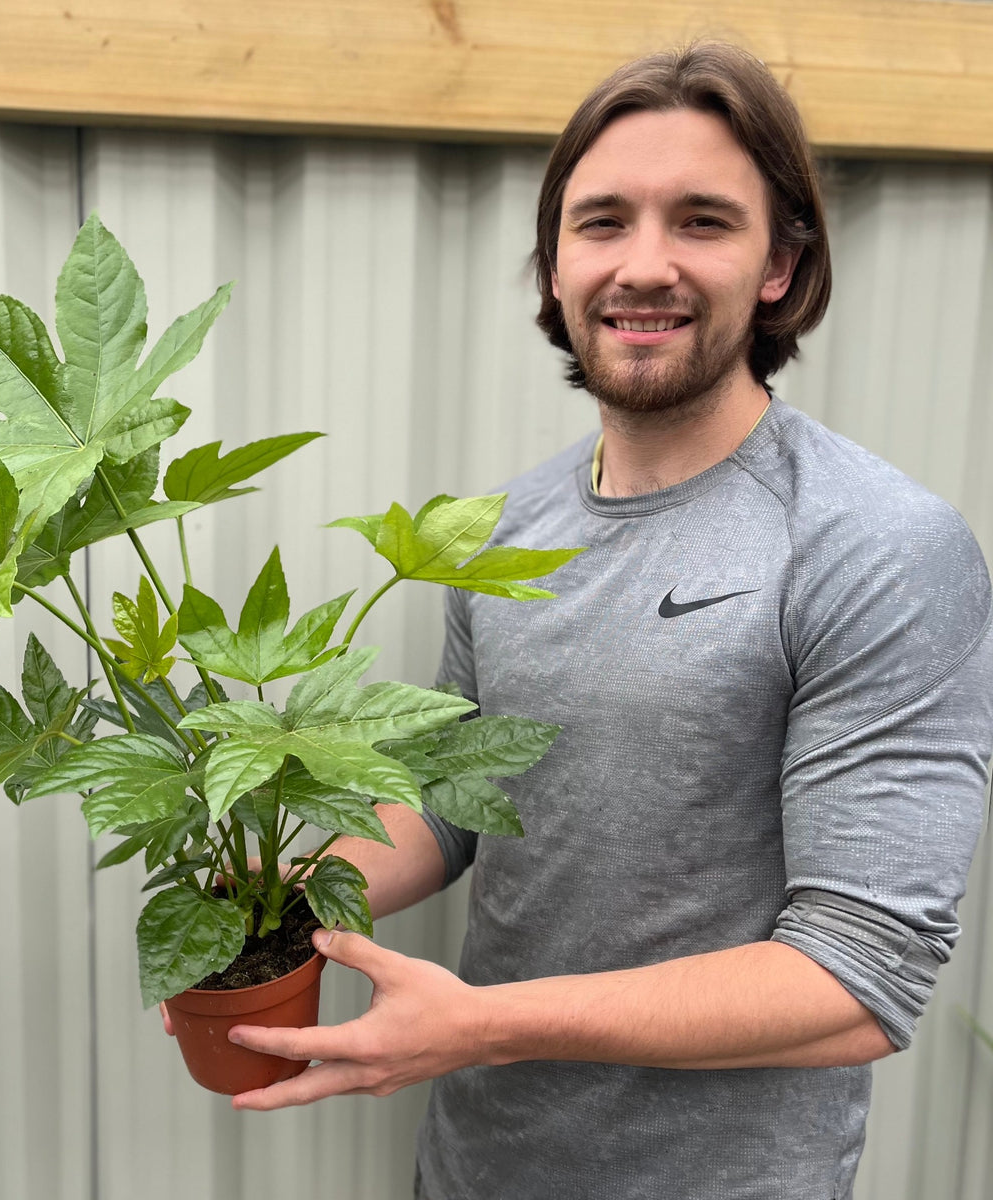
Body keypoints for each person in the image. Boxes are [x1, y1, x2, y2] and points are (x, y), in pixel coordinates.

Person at [183, 43, 993, 1199]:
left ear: (780, 263)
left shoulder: (875, 544)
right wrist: (258, 890)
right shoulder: (500, 530)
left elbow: (858, 978)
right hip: (475, 1168)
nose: (645, 265)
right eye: (603, 221)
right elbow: (454, 810)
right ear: (556, 263)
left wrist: (480, 1025)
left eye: (703, 221)